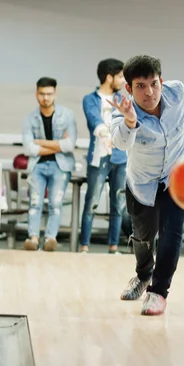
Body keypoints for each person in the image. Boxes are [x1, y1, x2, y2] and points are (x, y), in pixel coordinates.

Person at [108, 54, 184, 316]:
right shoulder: (121, 108)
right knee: (142, 237)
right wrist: (129, 119)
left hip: (177, 176)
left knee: (172, 233)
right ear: (129, 88)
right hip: (142, 182)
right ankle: (142, 275)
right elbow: (120, 143)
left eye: (154, 83)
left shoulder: (178, 93)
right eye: (140, 86)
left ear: (161, 80)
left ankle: (158, 291)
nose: (149, 92)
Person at [21, 77, 77, 251]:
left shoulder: (67, 115)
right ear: (36, 94)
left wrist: (40, 142)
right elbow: (29, 149)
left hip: (60, 167)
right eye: (42, 94)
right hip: (37, 166)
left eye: (49, 94)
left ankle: (50, 239)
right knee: (35, 203)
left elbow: (70, 145)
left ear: (55, 94)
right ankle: (33, 238)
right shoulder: (30, 118)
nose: (46, 98)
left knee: (55, 203)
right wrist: (57, 144)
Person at [80, 58, 128, 254]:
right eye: (120, 76)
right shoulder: (90, 99)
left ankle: (113, 246)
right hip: (99, 157)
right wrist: (106, 134)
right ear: (109, 77)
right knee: (92, 202)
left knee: (118, 204)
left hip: (120, 158)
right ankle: (84, 246)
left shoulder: (123, 100)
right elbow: (95, 121)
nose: (123, 80)